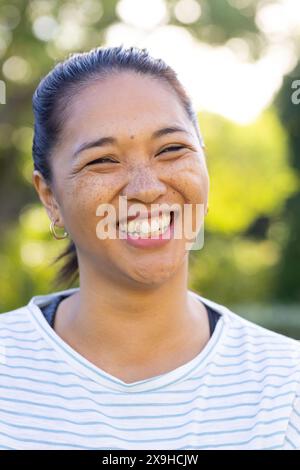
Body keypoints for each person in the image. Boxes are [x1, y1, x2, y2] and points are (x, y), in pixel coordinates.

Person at [0, 45, 299, 451]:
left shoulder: (286, 388)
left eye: (171, 150)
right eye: (103, 160)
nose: (146, 188)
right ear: (50, 197)